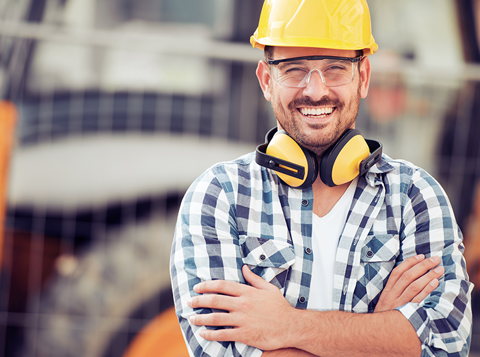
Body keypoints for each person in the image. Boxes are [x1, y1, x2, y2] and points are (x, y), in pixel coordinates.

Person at [170, 0, 473, 356]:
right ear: (267, 81)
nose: (315, 90)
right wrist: (380, 331)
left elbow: (446, 345)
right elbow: (221, 352)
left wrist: (286, 326)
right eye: (294, 69)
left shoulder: (416, 198)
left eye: (336, 68)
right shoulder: (218, 196)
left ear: (363, 77)